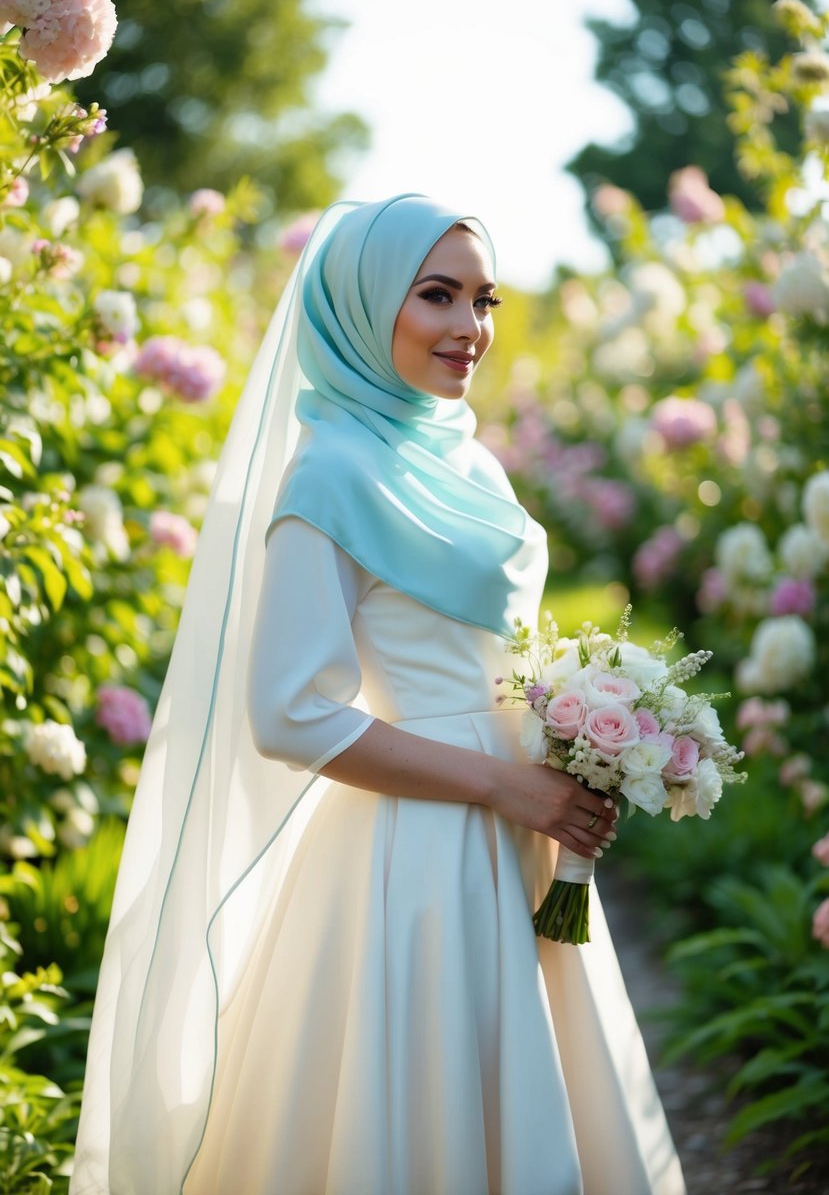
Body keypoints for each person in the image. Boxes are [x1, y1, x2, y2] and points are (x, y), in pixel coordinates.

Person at [70, 194, 685, 1195]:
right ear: (362, 305)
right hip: (421, 848)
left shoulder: (470, 461)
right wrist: (501, 785)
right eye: (435, 295)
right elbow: (291, 713)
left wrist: (576, 734)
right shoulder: (330, 476)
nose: (469, 327)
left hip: (520, 827)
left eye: (482, 298)